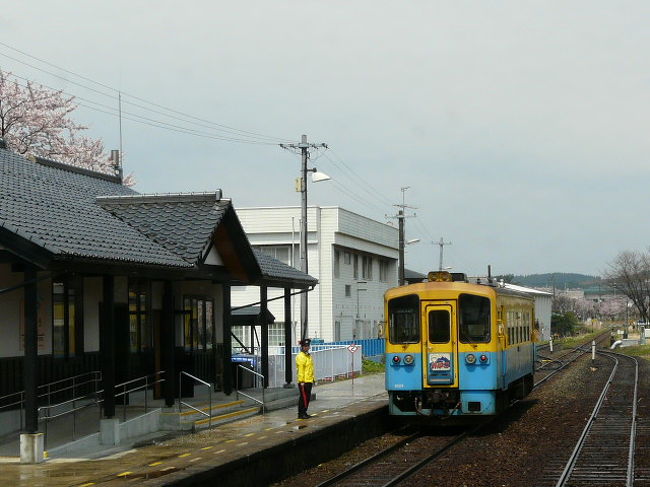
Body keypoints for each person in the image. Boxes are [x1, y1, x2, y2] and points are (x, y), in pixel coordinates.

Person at [296, 338, 315, 419]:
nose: (307, 347)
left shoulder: (308, 356)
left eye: (308, 346)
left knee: (307, 397)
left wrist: (313, 379)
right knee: (303, 398)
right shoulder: (300, 356)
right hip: (304, 381)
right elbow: (301, 370)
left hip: (309, 380)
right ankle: (301, 413)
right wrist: (301, 381)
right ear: (302, 347)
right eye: (305, 346)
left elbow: (311, 369)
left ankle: (304, 412)